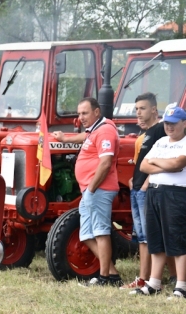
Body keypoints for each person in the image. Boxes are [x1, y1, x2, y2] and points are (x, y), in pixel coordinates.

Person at [52, 97, 121, 286]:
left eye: (85, 113)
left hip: (99, 189)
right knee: (86, 234)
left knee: (100, 232)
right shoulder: (95, 130)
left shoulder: (105, 130)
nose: (81, 117)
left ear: (97, 112)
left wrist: (91, 189)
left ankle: (105, 277)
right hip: (89, 191)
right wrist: (65, 138)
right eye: (79, 113)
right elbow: (86, 137)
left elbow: (106, 163)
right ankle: (112, 273)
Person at [122, 93, 176, 289]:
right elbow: (142, 161)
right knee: (141, 236)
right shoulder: (145, 134)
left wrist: (148, 181)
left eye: (142, 108)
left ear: (154, 109)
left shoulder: (161, 129)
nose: (138, 112)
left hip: (147, 191)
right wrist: (133, 180)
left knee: (151, 235)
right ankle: (151, 278)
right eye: (136, 109)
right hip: (136, 190)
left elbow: (168, 156)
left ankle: (151, 279)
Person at [133, 106, 186, 297]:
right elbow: (145, 165)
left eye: (174, 124)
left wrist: (159, 162)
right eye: (167, 124)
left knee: (177, 238)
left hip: (176, 193)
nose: (169, 128)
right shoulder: (161, 141)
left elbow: (177, 164)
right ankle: (154, 282)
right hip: (154, 193)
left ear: (184, 123)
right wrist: (165, 165)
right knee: (156, 238)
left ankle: (181, 285)